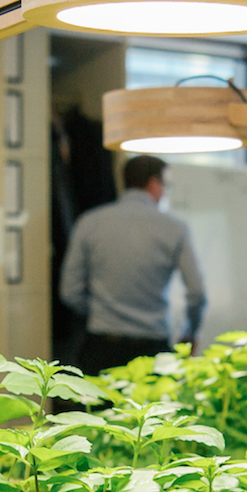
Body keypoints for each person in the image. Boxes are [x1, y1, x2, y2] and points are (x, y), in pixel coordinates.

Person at [59, 155, 206, 374]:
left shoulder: (89, 223)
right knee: (152, 409)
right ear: (153, 184)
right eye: (166, 185)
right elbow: (197, 293)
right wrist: (189, 333)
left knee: (100, 409)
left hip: (101, 348)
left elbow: (70, 291)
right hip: (153, 350)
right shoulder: (175, 228)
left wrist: (101, 311)